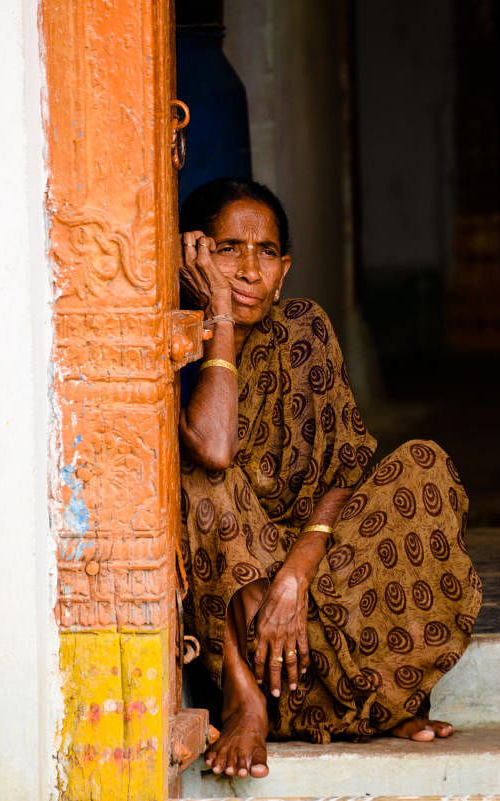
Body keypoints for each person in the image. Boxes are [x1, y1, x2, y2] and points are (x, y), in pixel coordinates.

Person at [178, 178, 481, 779]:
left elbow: (350, 476)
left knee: (424, 466)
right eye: (228, 248)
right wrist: (219, 318)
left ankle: (359, 695)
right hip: (230, 598)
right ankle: (247, 699)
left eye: (265, 252)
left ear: (284, 269)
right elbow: (214, 449)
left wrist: (296, 572)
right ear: (195, 255)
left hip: (314, 586)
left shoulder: (304, 331)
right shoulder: (171, 340)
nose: (247, 269)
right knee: (200, 478)